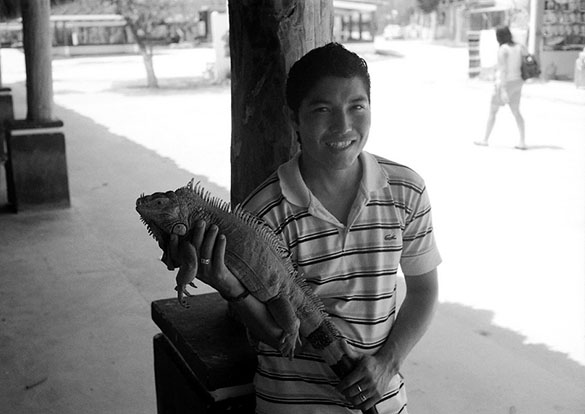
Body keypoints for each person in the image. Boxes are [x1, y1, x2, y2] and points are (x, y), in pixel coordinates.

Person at [181, 43, 441, 414]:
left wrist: (386, 364)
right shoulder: (262, 212)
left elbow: (424, 290)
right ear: (295, 118)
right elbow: (273, 333)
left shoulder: (406, 189)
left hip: (384, 403)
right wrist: (228, 287)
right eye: (322, 109)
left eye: (357, 106)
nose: (343, 126)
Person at [475, 26, 527, 149]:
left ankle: (485, 139)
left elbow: (503, 70)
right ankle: (522, 141)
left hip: (505, 83)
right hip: (518, 81)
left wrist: (503, 90)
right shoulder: (520, 47)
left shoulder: (503, 49)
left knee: (492, 112)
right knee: (516, 112)